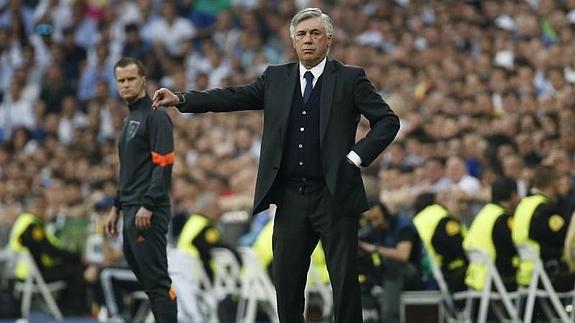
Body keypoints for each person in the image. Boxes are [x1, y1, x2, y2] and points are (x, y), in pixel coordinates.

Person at [152, 7, 400, 322]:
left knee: (345, 281)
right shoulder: (276, 78)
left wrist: (356, 157)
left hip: (334, 194)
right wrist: (183, 100)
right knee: (287, 283)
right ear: (293, 41)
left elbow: (387, 121)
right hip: (289, 196)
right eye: (301, 35)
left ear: (328, 40)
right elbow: (232, 97)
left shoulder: (350, 78)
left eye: (315, 34)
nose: (308, 40)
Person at [104, 57, 177, 323]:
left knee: (158, 284)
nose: (125, 85)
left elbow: (164, 166)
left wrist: (148, 204)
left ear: (143, 80)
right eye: (121, 80)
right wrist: (116, 206)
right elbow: (128, 170)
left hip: (148, 211)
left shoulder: (155, 116)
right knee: (148, 282)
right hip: (130, 209)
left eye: (131, 79)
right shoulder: (131, 118)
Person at [9, 192, 89, 315]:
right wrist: (75, 256)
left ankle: (64, 306)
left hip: (24, 272)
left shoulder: (24, 221)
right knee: (77, 269)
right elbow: (49, 251)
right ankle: (73, 309)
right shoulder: (32, 226)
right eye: (42, 207)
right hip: (32, 274)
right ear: (34, 206)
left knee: (69, 267)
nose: (45, 210)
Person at [358, 200, 424, 323]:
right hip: (389, 273)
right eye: (369, 221)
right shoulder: (375, 230)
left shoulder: (403, 226)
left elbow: (403, 255)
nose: (374, 224)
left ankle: (389, 318)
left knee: (394, 268)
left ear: (384, 213)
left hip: (413, 274)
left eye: (376, 218)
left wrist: (374, 249)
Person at [512, 166, 574, 291]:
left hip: (526, 272)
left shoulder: (524, 204)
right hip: (548, 274)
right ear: (554, 182)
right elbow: (566, 238)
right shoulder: (546, 210)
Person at [463, 176, 519, 291]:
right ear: (513, 195)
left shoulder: (485, 212)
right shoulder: (503, 218)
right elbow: (514, 246)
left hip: (477, 277)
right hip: (496, 279)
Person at [413, 191, 468, 293]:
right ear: (445, 201)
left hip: (425, 271)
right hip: (446, 274)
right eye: (460, 202)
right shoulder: (446, 220)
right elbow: (462, 249)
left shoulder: (422, 216)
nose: (465, 207)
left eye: (467, 203)